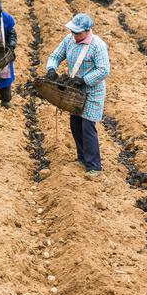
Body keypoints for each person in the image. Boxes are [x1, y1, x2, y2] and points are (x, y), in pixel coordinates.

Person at [46, 13, 110, 177]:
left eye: (78, 33)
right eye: (73, 32)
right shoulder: (69, 40)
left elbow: (103, 70)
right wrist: (51, 69)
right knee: (75, 124)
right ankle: (82, 158)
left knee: (87, 126)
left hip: (92, 91)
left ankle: (94, 166)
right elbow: (55, 56)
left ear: (87, 31)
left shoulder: (97, 45)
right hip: (74, 90)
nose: (75, 35)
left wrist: (84, 80)